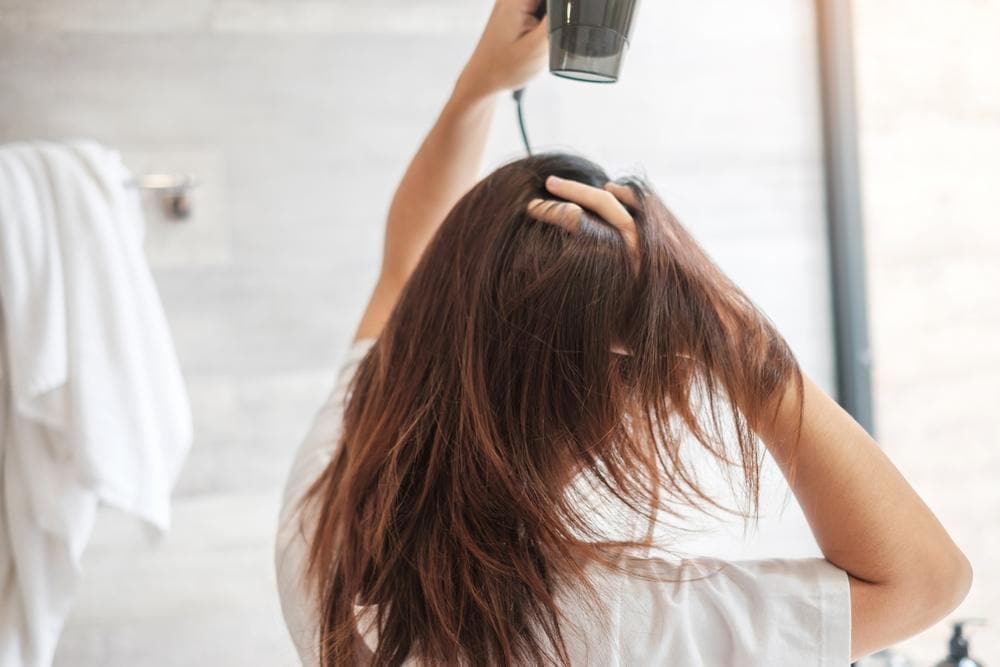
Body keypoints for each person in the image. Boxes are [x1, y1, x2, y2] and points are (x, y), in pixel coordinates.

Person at [274, 1, 973, 664]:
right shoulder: (612, 623)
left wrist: (477, 87)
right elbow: (924, 580)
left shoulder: (329, 510)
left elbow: (402, 268)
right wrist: (721, 318)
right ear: (603, 401)